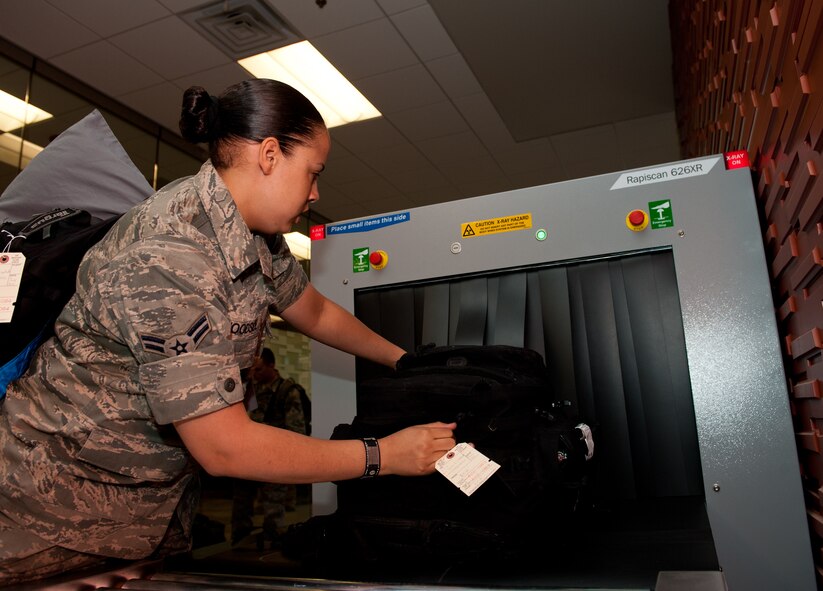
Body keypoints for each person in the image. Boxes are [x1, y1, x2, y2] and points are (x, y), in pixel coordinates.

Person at [0, 79, 456, 585]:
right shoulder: (171, 257)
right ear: (268, 154)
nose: (315, 192)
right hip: (49, 514)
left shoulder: (254, 233)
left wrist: (404, 361)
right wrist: (383, 456)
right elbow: (226, 447)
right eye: (313, 172)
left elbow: (313, 311)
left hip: (138, 508)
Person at [231, 348, 307, 545]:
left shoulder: (287, 391)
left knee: (273, 510)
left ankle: (273, 549)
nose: (255, 375)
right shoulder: (250, 389)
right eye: (252, 371)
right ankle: (240, 544)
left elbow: (296, 431)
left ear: (272, 366)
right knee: (241, 505)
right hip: (249, 457)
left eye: (259, 370)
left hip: (275, 457)